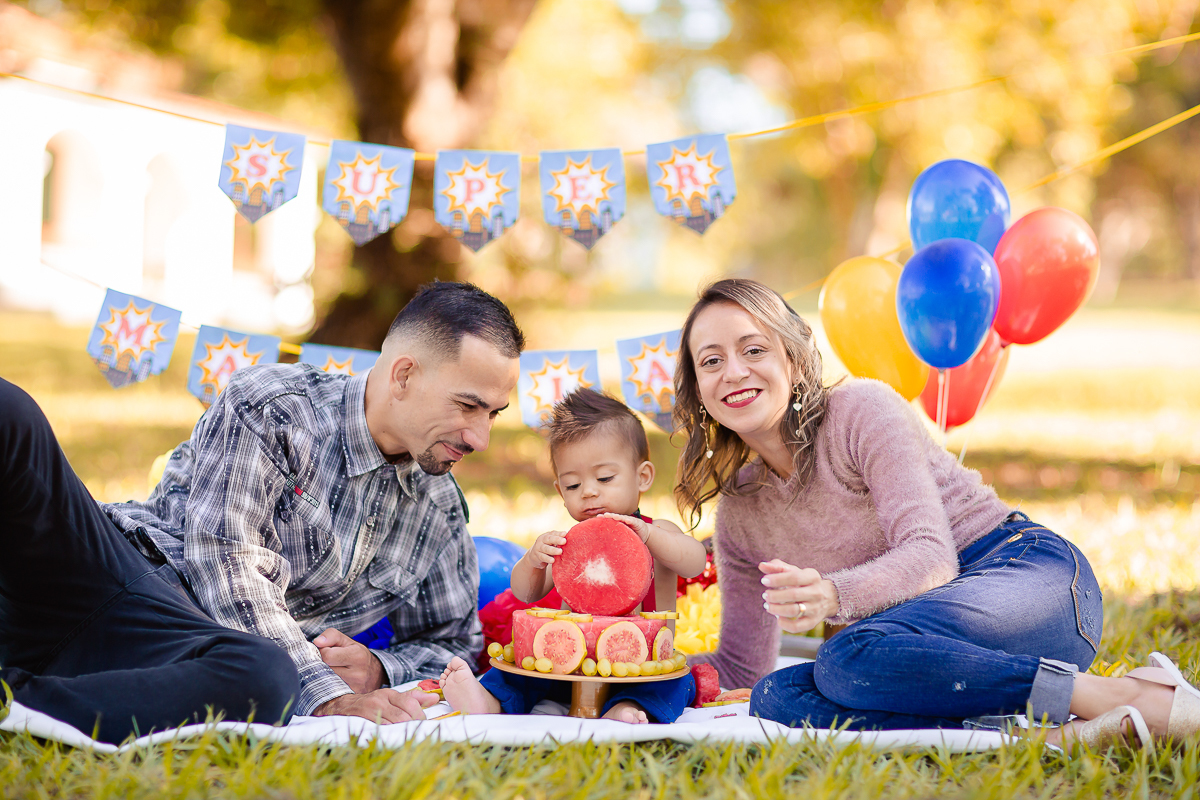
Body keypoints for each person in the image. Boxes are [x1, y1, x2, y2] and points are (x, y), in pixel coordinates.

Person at [673, 278, 1199, 750]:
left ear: (791, 357)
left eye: (753, 349)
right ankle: (1039, 731)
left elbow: (931, 557)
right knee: (777, 695)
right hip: (932, 654)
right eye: (712, 361)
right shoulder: (741, 512)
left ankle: (1114, 693)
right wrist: (624, 676)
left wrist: (833, 594)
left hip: (1030, 581)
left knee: (845, 659)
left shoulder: (860, 410)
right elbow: (741, 667)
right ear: (698, 391)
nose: (734, 371)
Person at [0, 281, 524, 742]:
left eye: (494, 414)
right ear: (404, 375)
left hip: (197, 653)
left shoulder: (439, 508)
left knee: (267, 677)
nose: (480, 437)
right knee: (13, 414)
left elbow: (453, 642)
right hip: (117, 573)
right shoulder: (275, 405)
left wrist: (379, 668)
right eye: (468, 406)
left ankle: (21, 699)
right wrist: (328, 695)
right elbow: (224, 561)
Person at [438, 389, 707, 723]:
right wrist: (534, 561)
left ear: (643, 477)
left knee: (678, 684)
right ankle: (490, 699)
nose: (589, 491)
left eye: (605, 478)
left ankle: (628, 708)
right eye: (573, 485)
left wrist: (650, 536)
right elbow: (526, 593)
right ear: (559, 491)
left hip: (643, 664)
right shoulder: (571, 545)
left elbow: (695, 562)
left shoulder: (658, 531)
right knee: (521, 668)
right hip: (570, 661)